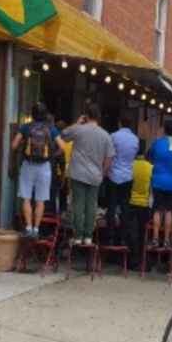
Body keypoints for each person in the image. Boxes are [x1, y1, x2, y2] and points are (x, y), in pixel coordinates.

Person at [59, 103, 114, 246]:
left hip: (77, 173)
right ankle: (88, 237)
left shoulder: (78, 129)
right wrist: (103, 173)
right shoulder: (105, 135)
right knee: (91, 205)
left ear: (86, 115)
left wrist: (76, 123)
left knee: (78, 203)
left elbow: (62, 136)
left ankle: (77, 236)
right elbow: (109, 158)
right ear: (99, 116)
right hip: (95, 175)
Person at [10, 102, 63, 239]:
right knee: (40, 200)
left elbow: (14, 145)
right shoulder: (51, 129)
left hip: (28, 164)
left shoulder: (25, 127)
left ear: (32, 114)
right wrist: (52, 155)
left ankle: (28, 228)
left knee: (26, 197)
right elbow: (62, 147)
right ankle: (36, 229)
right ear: (45, 115)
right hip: (44, 167)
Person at [146, 119, 172, 249]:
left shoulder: (157, 143)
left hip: (158, 181)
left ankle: (156, 238)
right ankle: (167, 239)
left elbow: (149, 156)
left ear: (164, 129)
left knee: (157, 209)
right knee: (169, 210)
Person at [104, 110, 139, 247]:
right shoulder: (135, 139)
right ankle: (123, 237)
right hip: (127, 176)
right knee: (125, 208)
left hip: (113, 175)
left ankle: (110, 236)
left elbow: (109, 155)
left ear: (119, 122)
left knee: (111, 206)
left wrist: (104, 172)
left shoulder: (113, 136)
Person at [127, 140, 152, 269]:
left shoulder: (129, 165)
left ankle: (133, 261)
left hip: (131, 203)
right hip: (145, 204)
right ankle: (145, 261)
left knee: (132, 233)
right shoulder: (150, 167)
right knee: (143, 234)